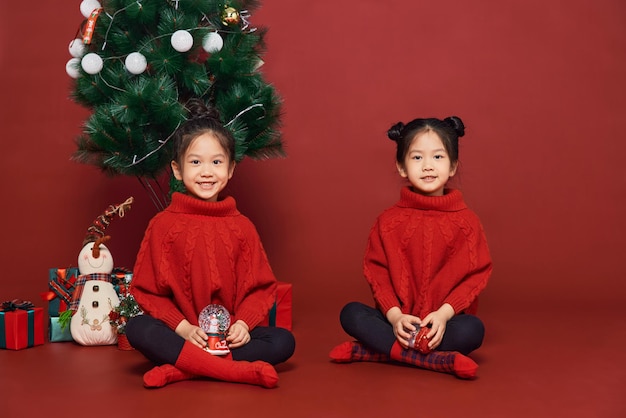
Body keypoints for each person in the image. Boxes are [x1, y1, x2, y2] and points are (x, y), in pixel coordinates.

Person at [125, 99, 295, 389]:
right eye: (195, 162)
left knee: (283, 341)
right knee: (137, 328)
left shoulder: (242, 227)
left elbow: (261, 288)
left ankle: (183, 369)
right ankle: (232, 370)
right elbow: (146, 290)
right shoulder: (163, 225)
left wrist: (243, 324)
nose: (206, 172)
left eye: (216, 162)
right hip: (181, 335)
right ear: (177, 170)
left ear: (230, 170)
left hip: (228, 338)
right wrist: (183, 327)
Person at [329, 116, 492, 379]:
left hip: (442, 323)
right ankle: (436, 361)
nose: (428, 166)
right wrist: (394, 317)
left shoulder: (467, 222)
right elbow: (377, 274)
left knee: (473, 330)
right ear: (401, 167)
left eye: (438, 157)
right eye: (417, 158)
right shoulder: (388, 221)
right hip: (398, 323)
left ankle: (376, 352)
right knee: (351, 314)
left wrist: (442, 314)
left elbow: (475, 275)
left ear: (453, 166)